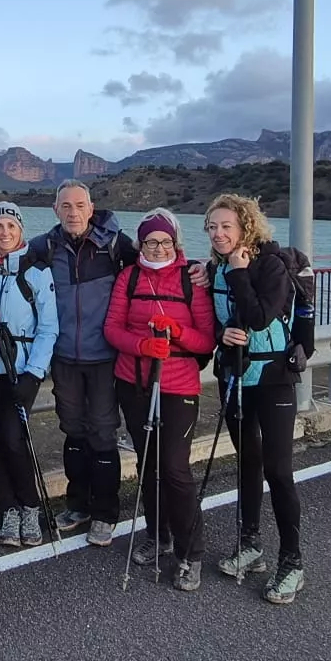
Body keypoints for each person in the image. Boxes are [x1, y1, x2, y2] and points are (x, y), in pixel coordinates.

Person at [202, 195, 306, 606]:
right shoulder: (214, 270)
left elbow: (260, 316)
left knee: (277, 470)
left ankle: (292, 562)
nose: (218, 233)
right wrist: (219, 336)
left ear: (246, 226)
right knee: (246, 462)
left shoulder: (269, 266)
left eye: (226, 226)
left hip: (275, 380)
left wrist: (241, 271)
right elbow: (212, 321)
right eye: (212, 227)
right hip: (235, 376)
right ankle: (250, 544)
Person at [104, 209, 216, 592]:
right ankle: (159, 536)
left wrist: (177, 332)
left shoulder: (192, 281)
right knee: (148, 463)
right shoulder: (128, 277)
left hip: (178, 386)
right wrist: (141, 345)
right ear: (140, 244)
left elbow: (206, 340)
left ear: (175, 243)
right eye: (151, 241)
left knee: (174, 468)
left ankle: (191, 553)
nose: (158, 247)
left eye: (165, 241)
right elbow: (112, 329)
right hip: (134, 382)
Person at [20, 180, 136, 545]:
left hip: (104, 357)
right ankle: (77, 504)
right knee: (72, 430)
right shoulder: (44, 247)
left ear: (91, 207)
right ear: (55, 210)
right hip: (64, 357)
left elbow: (158, 264)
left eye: (79, 205)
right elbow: (3, 254)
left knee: (102, 432)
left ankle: (105, 512)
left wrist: (195, 271)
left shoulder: (116, 245)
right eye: (65, 206)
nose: (72, 212)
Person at [0, 202, 58, 550]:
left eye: (10, 226)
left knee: (13, 438)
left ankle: (30, 506)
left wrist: (34, 374)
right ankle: (7, 509)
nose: (4, 233)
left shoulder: (36, 272)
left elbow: (49, 328)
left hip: (20, 367)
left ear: (21, 230)